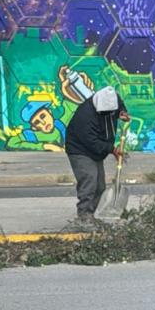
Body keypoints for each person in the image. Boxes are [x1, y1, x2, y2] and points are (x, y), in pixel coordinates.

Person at [64, 86, 130, 222]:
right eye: (106, 113)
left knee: (100, 186)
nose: (109, 114)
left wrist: (122, 112)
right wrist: (112, 149)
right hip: (80, 150)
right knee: (89, 179)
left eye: (111, 112)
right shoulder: (85, 116)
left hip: (97, 150)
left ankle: (94, 213)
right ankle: (84, 215)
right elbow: (91, 142)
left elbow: (119, 105)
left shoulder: (113, 100)